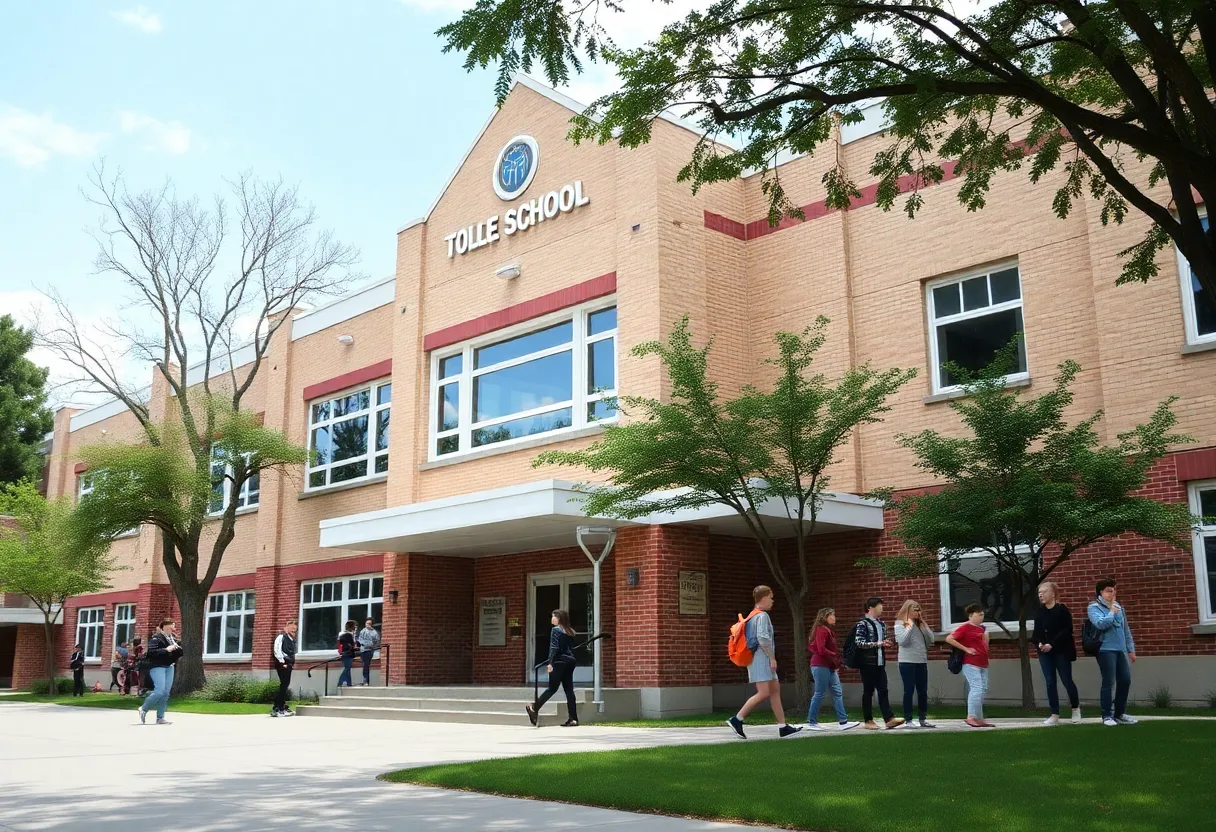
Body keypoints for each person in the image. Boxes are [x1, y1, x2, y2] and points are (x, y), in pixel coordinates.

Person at [725, 586, 803, 739]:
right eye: (771, 597)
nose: (773, 600)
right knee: (764, 692)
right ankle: (737, 719)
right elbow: (762, 639)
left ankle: (783, 727)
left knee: (774, 691)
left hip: (761, 660)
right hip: (761, 660)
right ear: (764, 597)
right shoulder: (762, 616)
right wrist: (772, 658)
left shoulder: (752, 616)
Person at [1087, 578, 1137, 727]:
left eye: (1113, 590)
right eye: (1108, 591)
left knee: (1125, 680)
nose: (1112, 593)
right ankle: (1106, 715)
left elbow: (1125, 629)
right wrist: (1111, 612)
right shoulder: (1093, 608)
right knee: (1109, 682)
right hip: (1105, 650)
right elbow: (1101, 624)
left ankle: (1119, 713)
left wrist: (1131, 649)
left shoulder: (1119, 607)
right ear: (1100, 592)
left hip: (1120, 649)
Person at [1032, 581, 1081, 725]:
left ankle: (1075, 709)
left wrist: (1052, 644)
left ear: (1053, 593)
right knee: (1049, 682)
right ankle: (1054, 713)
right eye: (1039, 592)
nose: (1041, 595)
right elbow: (1036, 632)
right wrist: (1039, 643)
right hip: (1044, 653)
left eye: (1044, 591)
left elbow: (1066, 630)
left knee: (1067, 680)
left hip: (1061, 651)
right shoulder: (1040, 612)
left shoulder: (1061, 610)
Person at [853, 597, 904, 730]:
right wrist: (878, 643)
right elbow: (859, 643)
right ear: (870, 608)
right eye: (879, 606)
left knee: (883, 690)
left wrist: (886, 642)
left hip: (880, 663)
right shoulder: (862, 624)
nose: (882, 608)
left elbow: (881, 641)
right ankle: (868, 720)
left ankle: (889, 719)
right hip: (867, 663)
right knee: (868, 692)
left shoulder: (882, 624)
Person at [806, 607, 860, 731]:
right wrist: (835, 656)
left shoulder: (827, 630)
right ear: (825, 617)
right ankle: (812, 721)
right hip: (820, 665)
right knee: (819, 693)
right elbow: (821, 649)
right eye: (832, 615)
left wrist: (837, 663)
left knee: (837, 692)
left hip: (829, 666)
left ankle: (843, 721)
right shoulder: (822, 630)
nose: (835, 618)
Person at [525, 609, 581, 727]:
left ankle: (534, 707)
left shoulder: (556, 630)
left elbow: (554, 647)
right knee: (569, 690)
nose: (552, 619)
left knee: (552, 688)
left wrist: (550, 663)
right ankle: (573, 719)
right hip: (570, 662)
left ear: (559, 618)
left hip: (559, 662)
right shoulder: (570, 631)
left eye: (553, 616)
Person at [946, 603, 993, 728]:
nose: (981, 617)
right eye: (979, 615)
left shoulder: (982, 628)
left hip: (983, 663)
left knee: (983, 689)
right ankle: (971, 716)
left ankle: (979, 718)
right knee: (976, 688)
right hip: (971, 663)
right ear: (971, 615)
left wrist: (986, 638)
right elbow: (950, 638)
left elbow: (985, 644)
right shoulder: (965, 627)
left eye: (983, 614)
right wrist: (966, 649)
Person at [894, 600, 936, 729]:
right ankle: (908, 719)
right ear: (907, 611)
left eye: (918, 610)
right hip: (907, 662)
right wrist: (910, 625)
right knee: (909, 690)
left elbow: (931, 640)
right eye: (914, 610)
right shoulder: (899, 624)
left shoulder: (920, 625)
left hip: (921, 661)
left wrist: (924, 625)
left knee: (922, 691)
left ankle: (923, 718)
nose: (917, 612)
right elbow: (902, 641)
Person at [139, 620, 183, 725]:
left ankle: (160, 718)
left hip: (170, 667)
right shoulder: (156, 638)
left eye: (172, 628)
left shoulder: (173, 639)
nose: (171, 630)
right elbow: (152, 652)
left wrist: (179, 649)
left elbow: (177, 653)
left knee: (165, 693)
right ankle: (143, 708)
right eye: (169, 628)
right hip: (157, 667)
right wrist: (167, 649)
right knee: (159, 691)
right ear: (162, 628)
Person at [272, 620, 298, 717]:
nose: (293, 631)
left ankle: (281, 705)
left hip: (289, 665)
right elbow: (277, 650)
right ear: (286, 629)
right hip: (283, 664)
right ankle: (278, 707)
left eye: (295, 630)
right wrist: (282, 662)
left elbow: (291, 653)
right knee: (284, 685)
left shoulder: (292, 640)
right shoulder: (281, 637)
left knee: (285, 685)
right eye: (292, 629)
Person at [357, 618, 380, 686]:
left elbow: (377, 641)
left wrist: (373, 646)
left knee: (366, 665)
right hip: (364, 650)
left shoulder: (374, 632)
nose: (368, 625)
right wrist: (364, 645)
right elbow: (360, 640)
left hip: (370, 650)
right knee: (365, 665)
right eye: (367, 623)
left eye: (369, 624)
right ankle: (365, 681)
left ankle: (366, 681)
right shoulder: (363, 631)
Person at [336, 620, 357, 688]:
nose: (355, 627)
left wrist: (339, 653)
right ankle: (340, 682)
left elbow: (339, 644)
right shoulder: (350, 634)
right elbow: (353, 644)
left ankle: (349, 683)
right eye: (354, 626)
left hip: (343, 653)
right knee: (347, 668)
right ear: (352, 627)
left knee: (347, 668)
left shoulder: (340, 633)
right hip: (349, 653)